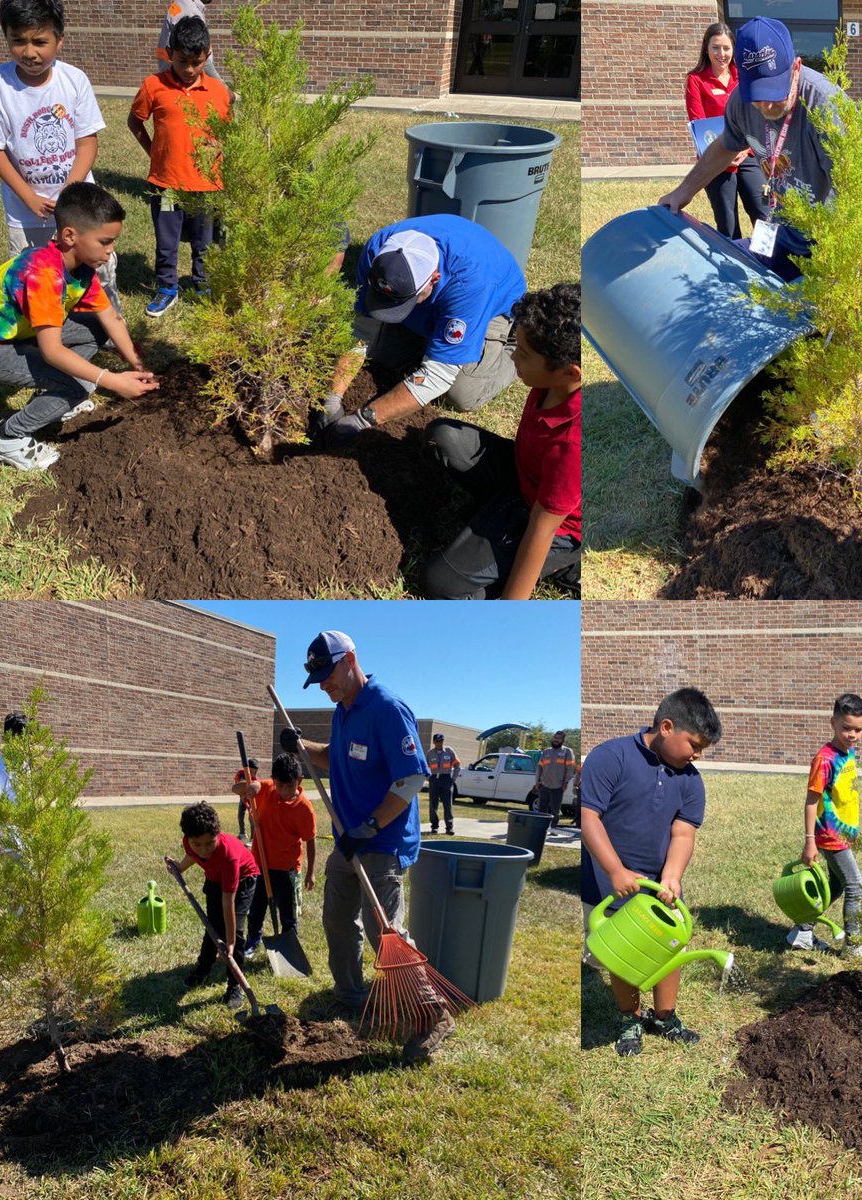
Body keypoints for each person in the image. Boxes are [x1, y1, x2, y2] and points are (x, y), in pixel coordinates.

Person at [279, 630, 454, 1063]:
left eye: (328, 674)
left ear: (351, 660)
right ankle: (351, 994)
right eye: (317, 679)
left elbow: (411, 779)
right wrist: (302, 747)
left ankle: (433, 1014)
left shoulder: (387, 708)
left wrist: (371, 825)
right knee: (337, 918)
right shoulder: (343, 710)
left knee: (384, 930)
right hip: (348, 838)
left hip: (383, 839)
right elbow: (335, 756)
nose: (324, 685)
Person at [580, 687, 723, 1057]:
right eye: (694, 745)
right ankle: (629, 1017)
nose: (697, 755)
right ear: (667, 727)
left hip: (660, 883)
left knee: (669, 945)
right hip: (612, 882)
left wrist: (672, 875)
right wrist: (615, 870)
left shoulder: (690, 780)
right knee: (625, 952)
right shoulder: (610, 757)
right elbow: (590, 818)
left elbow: (683, 832)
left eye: (702, 749)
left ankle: (664, 1016)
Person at [0, 181, 158, 471]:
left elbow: (110, 318)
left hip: (19, 333)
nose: (111, 251)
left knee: (97, 329)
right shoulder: (43, 274)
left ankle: (51, 395)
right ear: (70, 235)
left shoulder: (80, 268)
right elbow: (52, 351)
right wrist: (110, 380)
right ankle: (8, 437)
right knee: (78, 387)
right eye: (105, 242)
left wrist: (138, 366)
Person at [422, 281, 581, 600]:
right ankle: (496, 519)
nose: (513, 359)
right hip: (525, 478)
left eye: (523, 354)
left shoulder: (573, 443)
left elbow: (543, 529)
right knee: (444, 437)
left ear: (569, 373)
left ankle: (568, 562)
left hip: (555, 524)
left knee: (439, 584)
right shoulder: (551, 382)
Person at [659, 17, 841, 282]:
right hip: (780, 229)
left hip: (827, 239)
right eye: (757, 95)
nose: (766, 106)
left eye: (775, 91)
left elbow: (853, 191)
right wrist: (684, 191)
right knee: (725, 271)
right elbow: (726, 145)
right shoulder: (740, 102)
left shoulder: (824, 105)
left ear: (796, 67)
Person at [319, 214, 527, 442]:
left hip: (490, 306)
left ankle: (516, 343)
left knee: (462, 394)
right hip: (434, 304)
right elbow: (362, 330)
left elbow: (438, 375)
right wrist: (332, 397)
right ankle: (434, 338)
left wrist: (361, 420)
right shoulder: (377, 251)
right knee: (381, 356)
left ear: (434, 279)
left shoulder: (469, 285)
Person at [0, 0, 120, 309]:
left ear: (60, 40)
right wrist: (28, 197)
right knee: (32, 278)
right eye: (18, 40)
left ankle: (108, 325)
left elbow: (87, 141)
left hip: (80, 206)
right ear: (6, 37)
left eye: (40, 42)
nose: (29, 52)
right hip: (25, 211)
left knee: (98, 271)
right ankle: (43, 329)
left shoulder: (74, 80)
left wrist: (70, 192)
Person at [128, 15, 231, 318]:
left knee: (204, 242)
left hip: (207, 186)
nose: (188, 70)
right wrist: (154, 153)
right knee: (167, 241)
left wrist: (220, 151)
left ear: (207, 56)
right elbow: (135, 121)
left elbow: (228, 132)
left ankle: (203, 286)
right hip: (167, 185)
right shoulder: (154, 85)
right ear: (170, 53)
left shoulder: (219, 91)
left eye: (196, 63)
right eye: (182, 61)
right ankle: (166, 288)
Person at [787, 693, 862, 955]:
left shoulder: (849, 752)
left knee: (835, 886)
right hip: (828, 835)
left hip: (843, 834)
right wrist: (809, 842)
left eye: (858, 729)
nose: (852, 735)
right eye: (846, 728)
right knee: (855, 886)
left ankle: (802, 932)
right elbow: (811, 802)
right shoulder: (824, 759)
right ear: (833, 723)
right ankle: (853, 945)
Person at [165, 800, 258, 1008]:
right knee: (212, 926)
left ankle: (234, 985)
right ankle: (203, 968)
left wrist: (230, 942)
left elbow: (228, 902)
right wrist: (179, 867)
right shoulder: (190, 842)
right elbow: (192, 854)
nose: (203, 850)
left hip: (243, 879)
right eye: (197, 844)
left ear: (217, 834)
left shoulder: (229, 856)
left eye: (209, 843)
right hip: (215, 878)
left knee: (236, 933)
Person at [684, 22, 768, 240]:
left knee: (764, 214)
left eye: (726, 48)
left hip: (746, 154)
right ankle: (734, 261)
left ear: (733, 50)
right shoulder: (696, 80)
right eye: (715, 47)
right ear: (706, 49)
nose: (721, 54)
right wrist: (725, 153)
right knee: (728, 225)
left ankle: (770, 258)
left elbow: (756, 116)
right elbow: (698, 122)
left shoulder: (743, 77)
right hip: (715, 160)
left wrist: (744, 148)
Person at [235, 752, 317, 958]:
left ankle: (289, 943)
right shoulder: (267, 788)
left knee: (287, 911)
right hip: (260, 864)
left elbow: (310, 840)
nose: (284, 791)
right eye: (280, 785)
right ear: (273, 780)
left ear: (299, 781)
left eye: (290, 786)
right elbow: (236, 789)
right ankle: (253, 941)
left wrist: (310, 872)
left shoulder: (304, 808)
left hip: (286, 868)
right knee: (256, 907)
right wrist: (252, 786)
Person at [0, 710, 27, 858]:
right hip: (8, 842)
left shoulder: (24, 764)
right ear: (10, 736)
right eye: (21, 736)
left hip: (24, 840)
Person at [154, 0, 220, 79]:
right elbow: (196, 53)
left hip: (174, 73)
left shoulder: (181, 4)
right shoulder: (189, 11)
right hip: (183, 78)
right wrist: (218, 83)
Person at [535, 731, 576, 827]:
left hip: (558, 785)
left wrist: (566, 782)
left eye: (559, 738)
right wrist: (537, 781)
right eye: (555, 738)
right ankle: (541, 827)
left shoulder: (567, 752)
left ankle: (553, 828)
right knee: (542, 808)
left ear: (562, 740)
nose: (556, 740)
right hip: (544, 784)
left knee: (555, 809)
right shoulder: (546, 751)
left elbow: (570, 769)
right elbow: (540, 767)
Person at [426, 732, 459, 836]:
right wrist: (429, 778)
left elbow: (457, 765)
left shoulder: (449, 751)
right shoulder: (430, 753)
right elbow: (424, 767)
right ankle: (434, 827)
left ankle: (449, 828)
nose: (439, 743)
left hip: (446, 779)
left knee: (447, 804)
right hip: (434, 779)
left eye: (441, 741)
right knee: (433, 805)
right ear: (433, 742)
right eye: (437, 741)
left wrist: (453, 779)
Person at [232, 756, 258, 841]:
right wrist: (242, 795)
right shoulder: (240, 773)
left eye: (255, 772)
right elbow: (237, 785)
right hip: (242, 798)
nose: (253, 774)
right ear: (246, 769)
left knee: (252, 818)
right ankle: (242, 833)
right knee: (240, 815)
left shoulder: (256, 780)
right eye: (251, 771)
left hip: (251, 799)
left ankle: (252, 838)